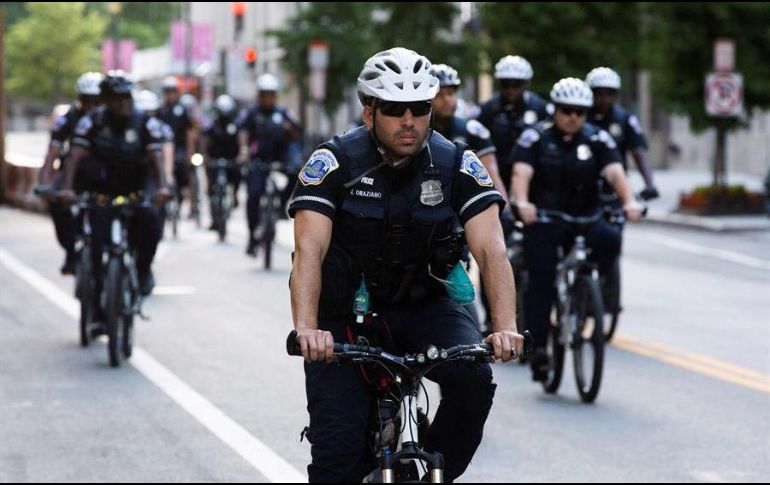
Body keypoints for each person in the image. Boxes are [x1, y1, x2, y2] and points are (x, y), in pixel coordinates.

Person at [288, 47, 525, 483]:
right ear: (369, 112)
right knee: (337, 458)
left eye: (420, 108)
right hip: (343, 317)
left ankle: (431, 473)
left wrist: (506, 325)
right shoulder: (334, 163)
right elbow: (308, 251)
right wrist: (307, 329)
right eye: (395, 109)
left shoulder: (456, 163)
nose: (409, 120)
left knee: (474, 381)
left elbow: (492, 249)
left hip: (426, 305)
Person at [509, 77, 643, 381]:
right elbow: (521, 173)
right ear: (555, 109)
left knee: (610, 238)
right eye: (567, 110)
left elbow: (615, 171)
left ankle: (587, 291)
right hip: (545, 218)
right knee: (540, 277)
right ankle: (539, 348)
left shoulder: (598, 138)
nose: (573, 117)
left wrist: (630, 201)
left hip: (586, 217)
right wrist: (522, 202)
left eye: (580, 112)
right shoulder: (535, 138)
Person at [58, 72, 170, 298]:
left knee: (150, 221)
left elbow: (157, 159)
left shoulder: (145, 123)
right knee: (97, 244)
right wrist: (67, 187)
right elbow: (74, 156)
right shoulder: (91, 122)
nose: (123, 103)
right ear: (106, 101)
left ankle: (143, 270)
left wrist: (163, 187)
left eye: (126, 97)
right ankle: (97, 304)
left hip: (136, 185)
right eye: (116, 99)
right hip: (102, 188)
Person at [430, 63, 515, 332]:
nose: (448, 99)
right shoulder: (414, 127)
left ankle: (489, 320)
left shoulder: (473, 130)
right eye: (441, 93)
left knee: (488, 257)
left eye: (452, 93)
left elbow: (491, 174)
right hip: (424, 215)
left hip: (459, 218)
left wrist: (505, 207)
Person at [38, 71, 103, 275]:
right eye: (87, 100)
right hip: (73, 176)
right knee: (58, 204)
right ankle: (71, 250)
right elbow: (52, 152)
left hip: (105, 177)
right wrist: (45, 184)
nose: (91, 106)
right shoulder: (67, 119)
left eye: (96, 101)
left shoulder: (111, 118)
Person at [237, 73, 302, 256]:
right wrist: (244, 150)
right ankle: (252, 235)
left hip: (280, 160)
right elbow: (242, 132)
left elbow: (297, 132)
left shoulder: (283, 113)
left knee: (295, 175)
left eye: (270, 94)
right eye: (263, 94)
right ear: (259, 95)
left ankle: (281, 205)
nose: (267, 98)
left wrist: (291, 130)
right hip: (258, 161)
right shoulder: (251, 113)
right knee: (253, 195)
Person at [476, 55, 550, 192]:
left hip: (532, 176)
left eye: (516, 84)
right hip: (496, 175)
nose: (511, 89)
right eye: (506, 84)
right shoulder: (488, 109)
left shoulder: (539, 107)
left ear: (527, 84)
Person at [585, 67, 659, 200]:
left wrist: (650, 185)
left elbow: (638, 153)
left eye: (609, 94)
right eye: (599, 93)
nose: (604, 99)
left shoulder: (625, 119)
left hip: (615, 186)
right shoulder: (579, 116)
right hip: (582, 184)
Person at [158, 76, 200, 219]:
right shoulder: (160, 110)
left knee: (189, 173)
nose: (170, 95)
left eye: (172, 92)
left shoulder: (183, 110)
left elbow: (190, 132)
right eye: (167, 92)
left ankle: (194, 206)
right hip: (164, 150)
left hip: (181, 149)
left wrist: (190, 152)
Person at [201, 94, 242, 227]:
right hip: (214, 160)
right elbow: (204, 142)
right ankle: (214, 217)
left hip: (231, 160)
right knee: (211, 186)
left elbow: (240, 143)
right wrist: (205, 156)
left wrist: (240, 156)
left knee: (237, 175)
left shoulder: (235, 126)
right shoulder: (211, 126)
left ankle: (235, 195)